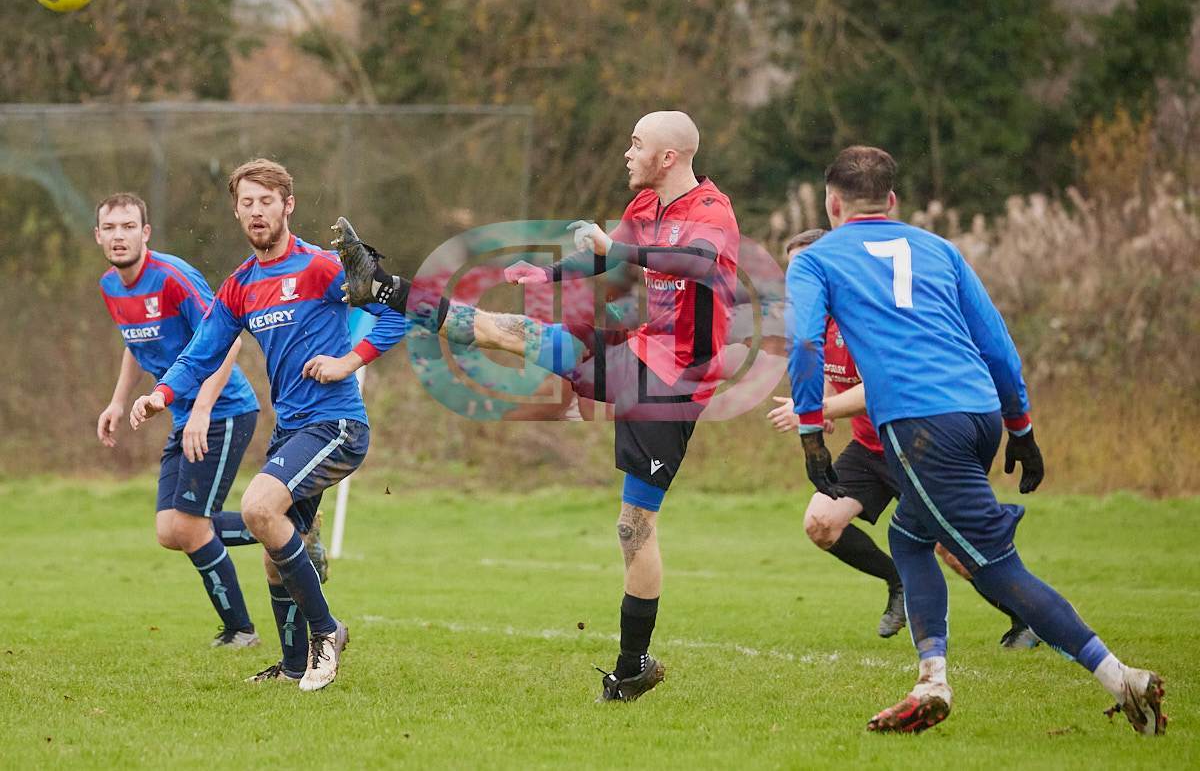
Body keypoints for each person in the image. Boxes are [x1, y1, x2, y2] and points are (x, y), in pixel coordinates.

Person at [334, 110, 739, 703]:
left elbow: (698, 262)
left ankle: (632, 665)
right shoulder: (646, 206)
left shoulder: (711, 211)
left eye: (636, 144)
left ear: (669, 156)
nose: (627, 154)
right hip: (638, 353)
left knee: (634, 526)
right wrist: (548, 272)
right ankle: (386, 289)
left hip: (674, 384)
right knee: (513, 333)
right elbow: (609, 257)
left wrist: (614, 247)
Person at [786, 146, 1165, 735]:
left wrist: (812, 434)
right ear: (892, 201)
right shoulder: (940, 249)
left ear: (831, 204)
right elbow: (998, 346)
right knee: (909, 537)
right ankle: (931, 680)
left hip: (921, 425)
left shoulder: (816, 258)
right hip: (979, 412)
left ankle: (1123, 678)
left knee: (992, 564)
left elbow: (806, 345)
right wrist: (1022, 429)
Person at [129, 159, 409, 691]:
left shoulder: (321, 267)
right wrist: (160, 395)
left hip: (337, 424)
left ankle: (326, 632)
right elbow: (201, 353)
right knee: (275, 553)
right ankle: (294, 666)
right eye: (247, 203)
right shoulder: (240, 286)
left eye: (267, 201)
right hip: (292, 429)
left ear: (288, 206)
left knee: (259, 508)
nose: (257, 212)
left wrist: (348, 362)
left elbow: (399, 311)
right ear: (237, 212)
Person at [769, 229, 1037, 647]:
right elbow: (831, 377)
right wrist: (821, 407)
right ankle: (898, 583)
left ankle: (1028, 618)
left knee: (954, 550)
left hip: (916, 444)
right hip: (870, 448)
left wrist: (821, 411)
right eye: (793, 271)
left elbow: (877, 388)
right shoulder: (815, 323)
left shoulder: (866, 316)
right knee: (821, 524)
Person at [96, 192, 262, 647]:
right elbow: (135, 344)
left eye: (128, 226)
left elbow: (229, 340)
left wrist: (202, 409)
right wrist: (117, 402)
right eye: (110, 228)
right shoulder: (110, 286)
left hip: (224, 409)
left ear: (145, 232)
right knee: (170, 529)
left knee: (190, 526)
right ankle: (287, 526)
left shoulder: (173, 277)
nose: (119, 236)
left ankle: (241, 631)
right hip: (185, 413)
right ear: (98, 236)